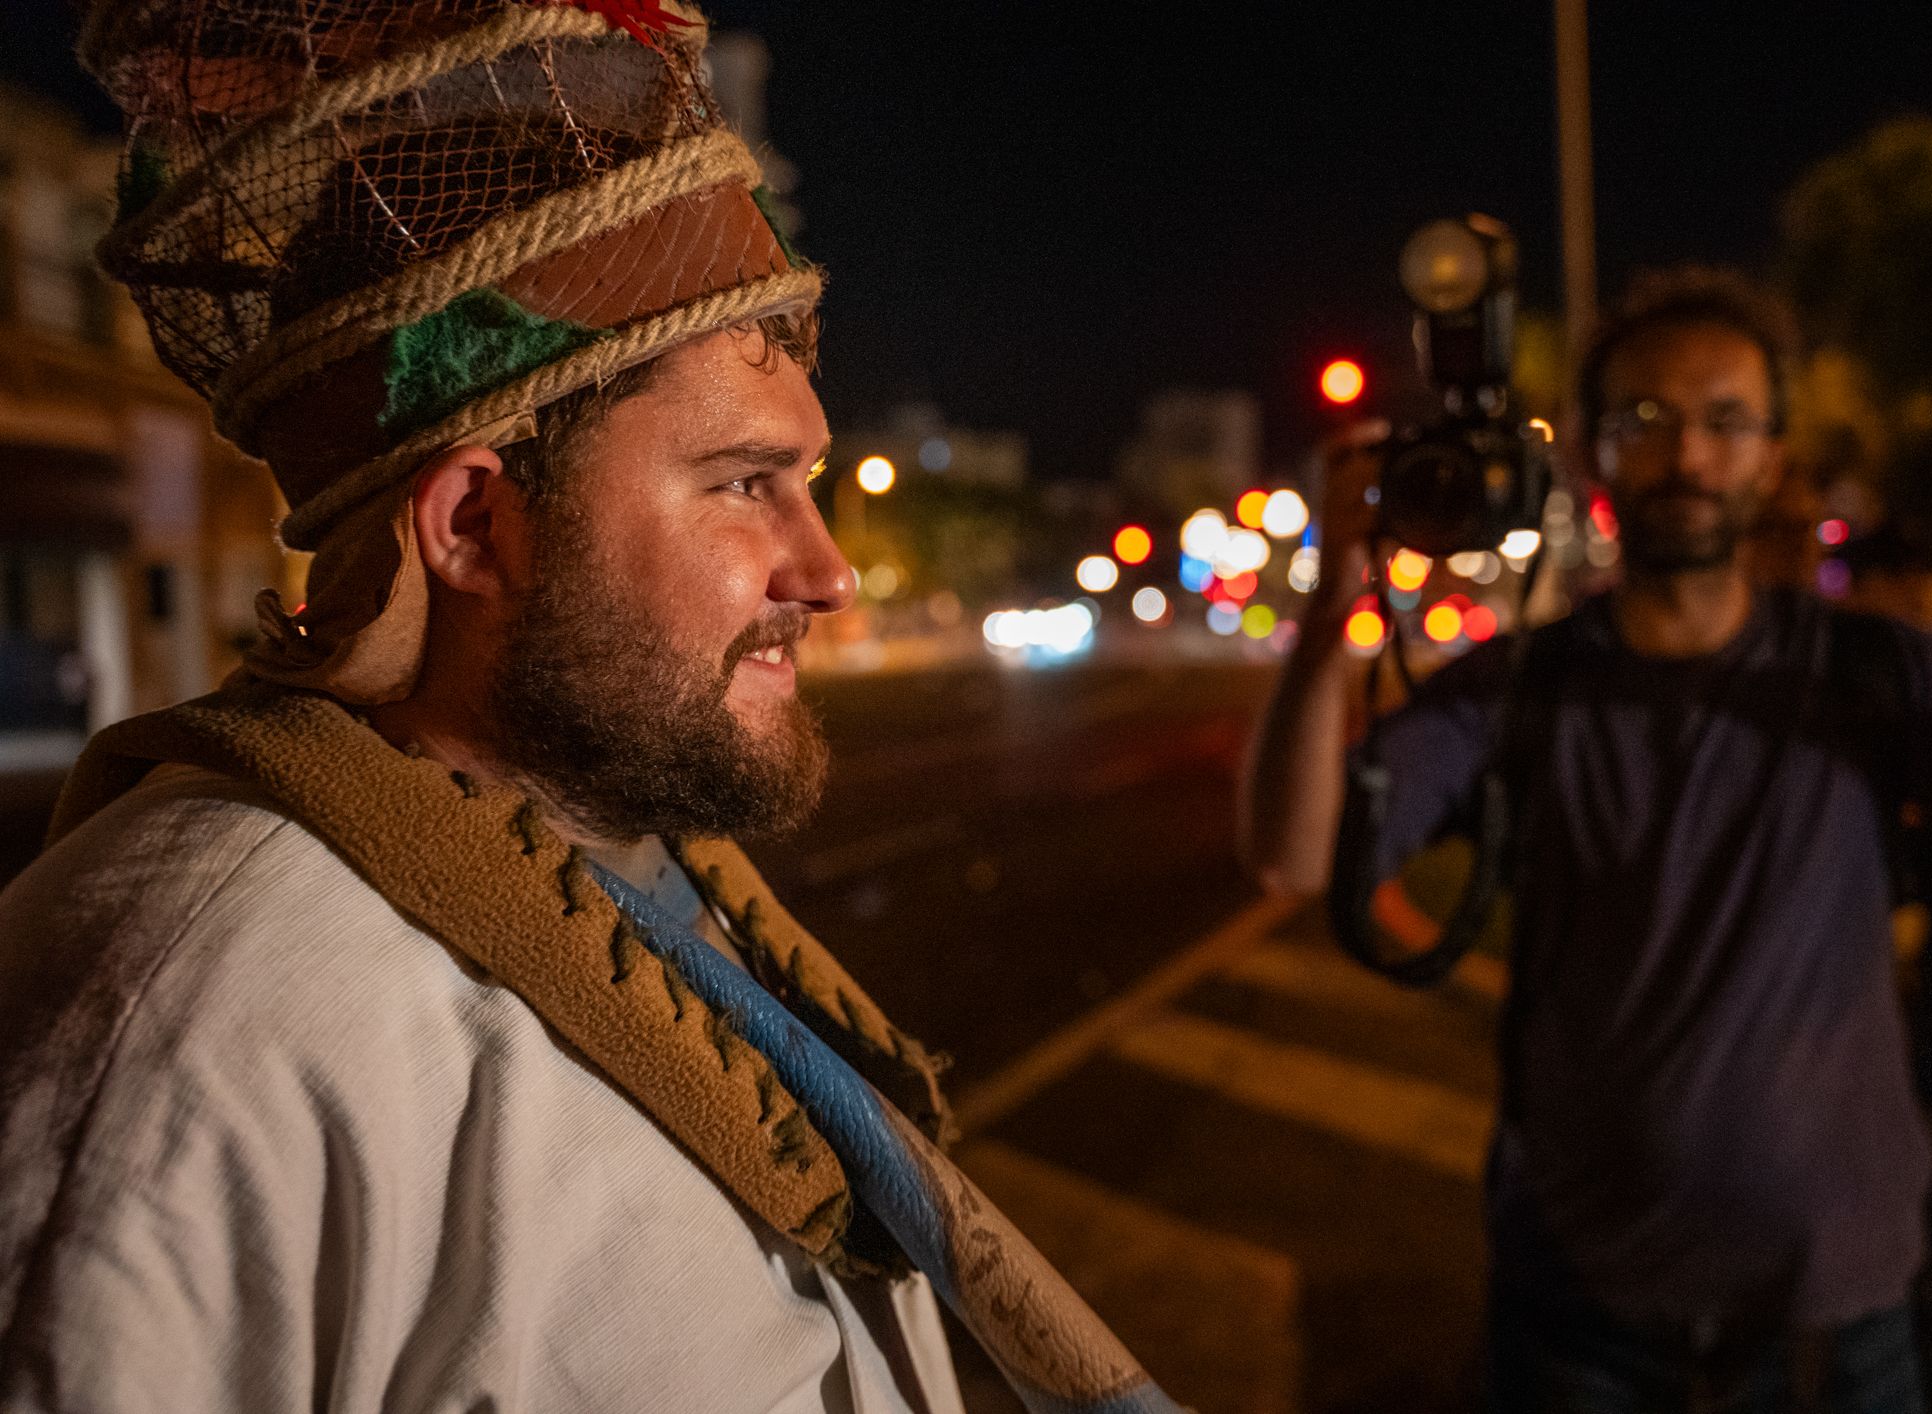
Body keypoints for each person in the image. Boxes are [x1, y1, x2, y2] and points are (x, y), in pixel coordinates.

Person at [0, 5, 1180, 1412]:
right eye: (745, 483)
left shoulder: (622, 865)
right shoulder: (190, 1019)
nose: (828, 574)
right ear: (478, 525)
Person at [1241, 269, 1932, 1412]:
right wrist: (1331, 603)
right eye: (1648, 420)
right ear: (1593, 455)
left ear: (1771, 454)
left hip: (1837, 1331)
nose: (1689, 458)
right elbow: (1295, 857)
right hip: (1581, 1329)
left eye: (1725, 421)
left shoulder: (1877, 672)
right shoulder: (1519, 689)